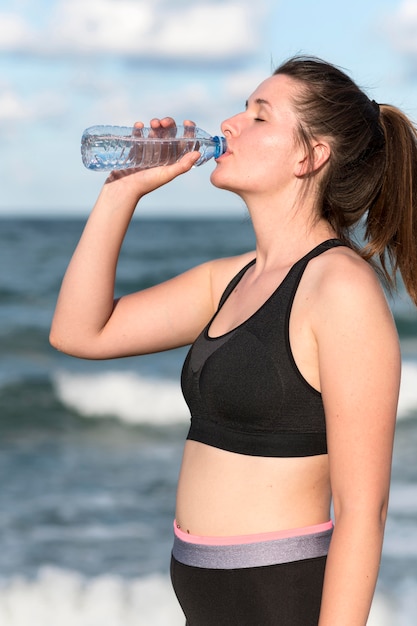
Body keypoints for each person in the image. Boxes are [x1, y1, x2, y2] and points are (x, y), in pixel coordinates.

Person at [50, 56, 417, 625]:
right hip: (208, 602)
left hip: (278, 600)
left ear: (310, 155)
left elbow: (362, 512)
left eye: (259, 116)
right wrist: (123, 191)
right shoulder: (230, 279)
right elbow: (79, 332)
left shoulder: (340, 289)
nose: (229, 124)